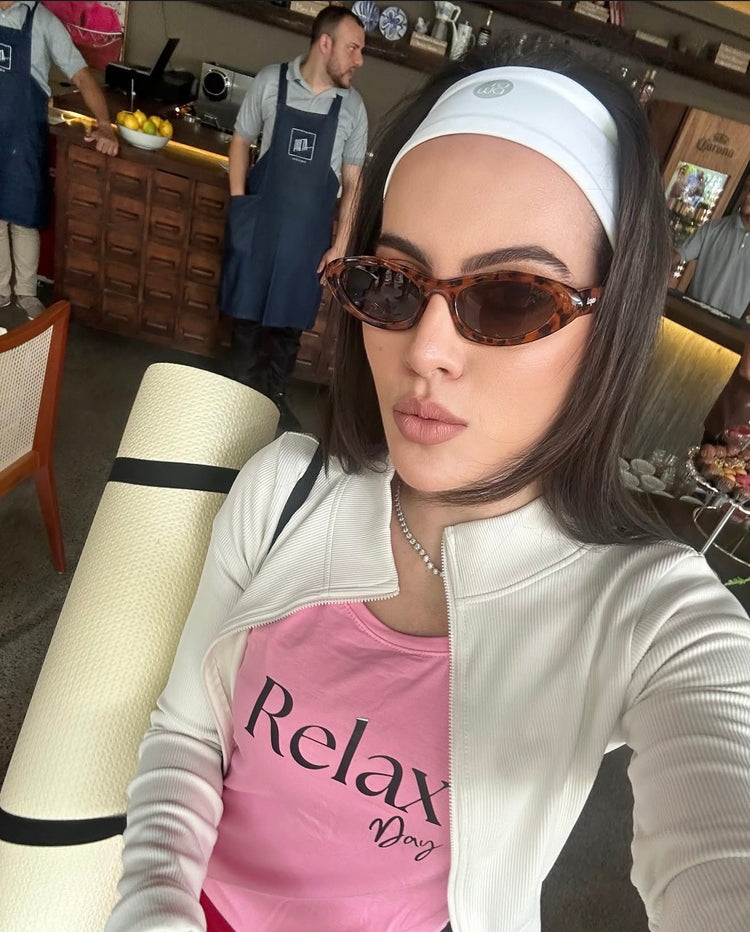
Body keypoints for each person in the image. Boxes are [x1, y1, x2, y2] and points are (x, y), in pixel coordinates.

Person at [106, 36, 750, 932]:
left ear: (613, 325)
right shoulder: (288, 491)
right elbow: (186, 735)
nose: (428, 351)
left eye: (514, 297)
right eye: (396, 285)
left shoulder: (649, 615)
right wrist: (152, 910)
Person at [219, 5, 368, 431]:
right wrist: (239, 204)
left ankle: (272, 408)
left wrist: (340, 245)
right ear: (325, 43)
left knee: (288, 328)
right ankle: (234, 404)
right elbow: (241, 139)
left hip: (308, 239)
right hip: (260, 227)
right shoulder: (271, 82)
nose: (359, 60)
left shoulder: (353, 108)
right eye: (353, 48)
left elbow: (354, 182)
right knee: (246, 320)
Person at [0, 0, 118, 319]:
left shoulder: (44, 22)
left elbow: (81, 77)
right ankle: (1, 291)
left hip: (23, 136)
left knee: (24, 216)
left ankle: (25, 292)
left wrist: (105, 126)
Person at [674, 181, 750, 320]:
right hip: (688, 318)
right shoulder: (712, 229)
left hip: (726, 332)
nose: (747, 196)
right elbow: (677, 254)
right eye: (746, 188)